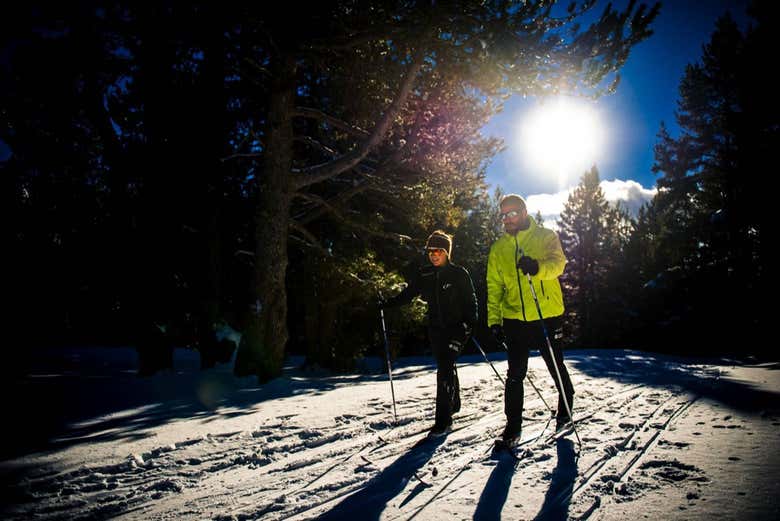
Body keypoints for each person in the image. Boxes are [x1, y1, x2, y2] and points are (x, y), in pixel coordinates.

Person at [486, 194, 575, 444]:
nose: (508, 219)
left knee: (555, 365)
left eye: (512, 213)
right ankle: (513, 428)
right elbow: (494, 286)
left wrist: (537, 268)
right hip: (514, 317)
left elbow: (559, 264)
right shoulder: (498, 249)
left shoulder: (545, 236)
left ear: (524, 212)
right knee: (515, 373)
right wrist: (494, 320)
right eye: (503, 215)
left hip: (546, 314)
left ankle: (566, 410)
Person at [381, 230, 478, 436]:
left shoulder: (459, 274)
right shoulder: (425, 273)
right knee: (446, 365)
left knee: (444, 369)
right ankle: (454, 403)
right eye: (431, 250)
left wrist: (467, 326)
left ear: (447, 252)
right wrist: (388, 304)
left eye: (438, 250)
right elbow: (409, 294)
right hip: (436, 329)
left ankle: (443, 421)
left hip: (457, 329)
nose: (433, 254)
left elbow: (471, 304)